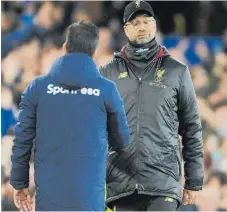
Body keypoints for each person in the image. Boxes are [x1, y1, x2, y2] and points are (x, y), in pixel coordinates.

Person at [10, 20, 130, 211]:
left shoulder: (38, 87)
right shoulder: (107, 90)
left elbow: (22, 139)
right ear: (93, 53)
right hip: (90, 200)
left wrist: (19, 183)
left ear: (65, 48)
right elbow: (122, 141)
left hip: (48, 202)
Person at [100, 1, 204, 211]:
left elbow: (191, 127)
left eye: (146, 21)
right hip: (121, 184)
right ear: (126, 29)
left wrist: (194, 180)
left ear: (155, 25)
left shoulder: (177, 71)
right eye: (135, 22)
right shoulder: (107, 73)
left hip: (163, 183)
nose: (142, 27)